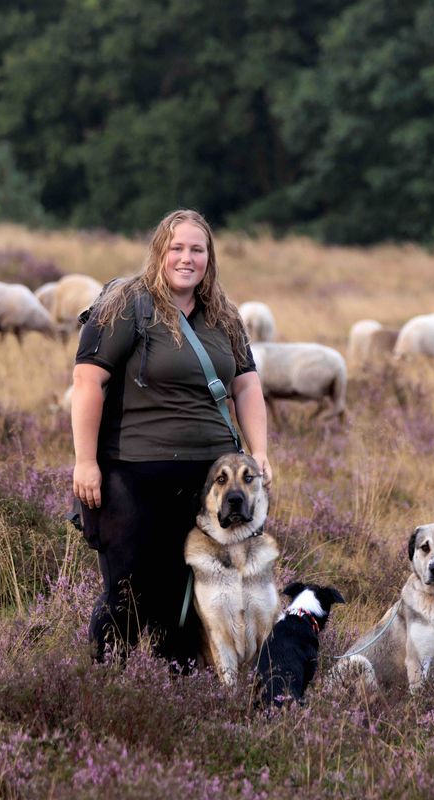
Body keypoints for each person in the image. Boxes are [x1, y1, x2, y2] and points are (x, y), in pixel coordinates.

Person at [70, 209, 272, 666]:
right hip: (132, 476)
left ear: (209, 258)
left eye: (196, 250)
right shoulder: (126, 305)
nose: (186, 258)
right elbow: (87, 381)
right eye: (176, 248)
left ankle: (177, 693)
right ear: (159, 252)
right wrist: (86, 462)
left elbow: (246, 385)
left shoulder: (224, 315)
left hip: (210, 485)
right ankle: (104, 685)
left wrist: (258, 453)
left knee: (191, 595)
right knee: (128, 592)